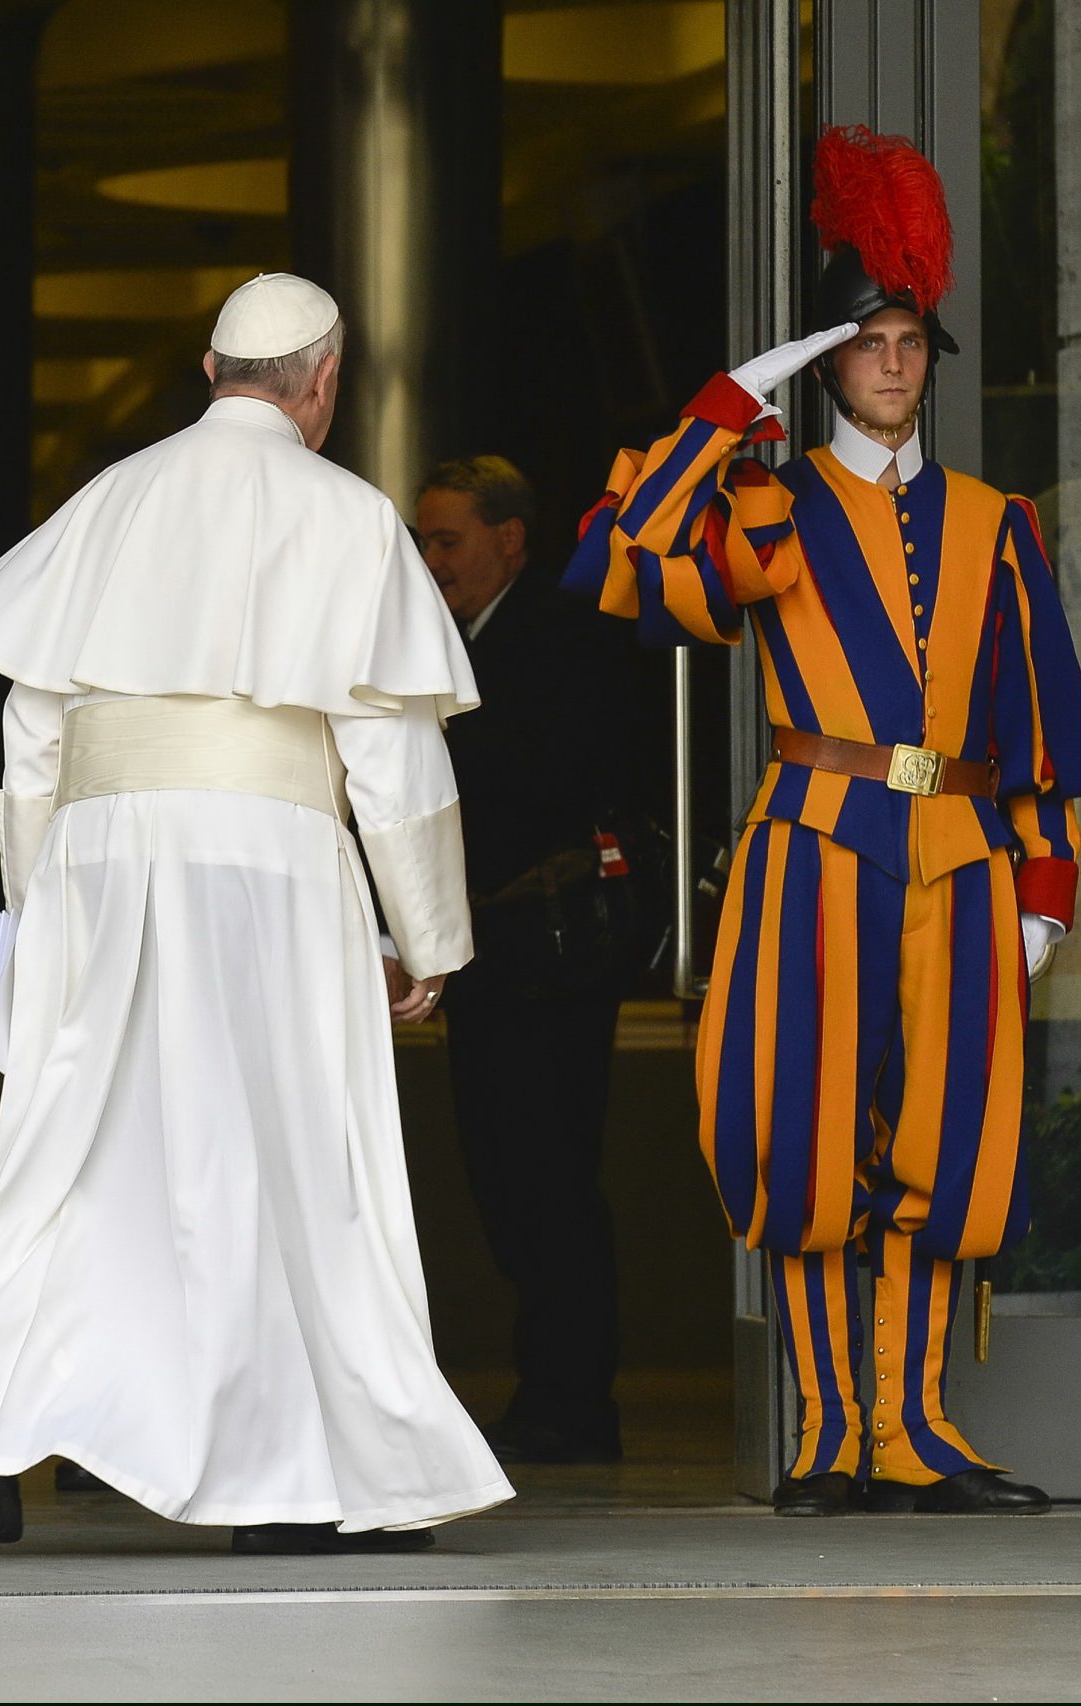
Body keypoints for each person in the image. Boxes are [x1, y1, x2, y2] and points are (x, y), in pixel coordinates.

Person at [0, 272, 513, 1555]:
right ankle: (299, 1478)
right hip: (270, 866)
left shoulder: (109, 499)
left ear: (208, 372)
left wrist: (42, 911)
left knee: (79, 1156)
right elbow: (392, 756)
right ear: (323, 382)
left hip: (98, 859)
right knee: (288, 1163)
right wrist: (425, 935)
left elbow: (31, 737)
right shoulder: (349, 513)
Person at [565, 127, 1081, 1515]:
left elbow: (1040, 728)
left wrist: (1047, 892)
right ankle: (829, 1435)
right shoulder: (770, 498)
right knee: (805, 1140)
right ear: (829, 362)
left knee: (953, 1143)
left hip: (968, 859)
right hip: (817, 844)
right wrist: (735, 399)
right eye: (869, 342)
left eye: (913, 340)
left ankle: (915, 1431)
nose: (897, 363)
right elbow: (621, 570)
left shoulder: (999, 522)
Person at [411, 455, 643, 1465]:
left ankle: (572, 1397)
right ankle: (549, 1384)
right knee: (499, 1174)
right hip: (487, 954)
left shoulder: (560, 633)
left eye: (448, 539)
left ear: (509, 538)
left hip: (548, 954)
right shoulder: (454, 641)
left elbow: (546, 775)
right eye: (423, 540)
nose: (432, 559)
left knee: (549, 1174)